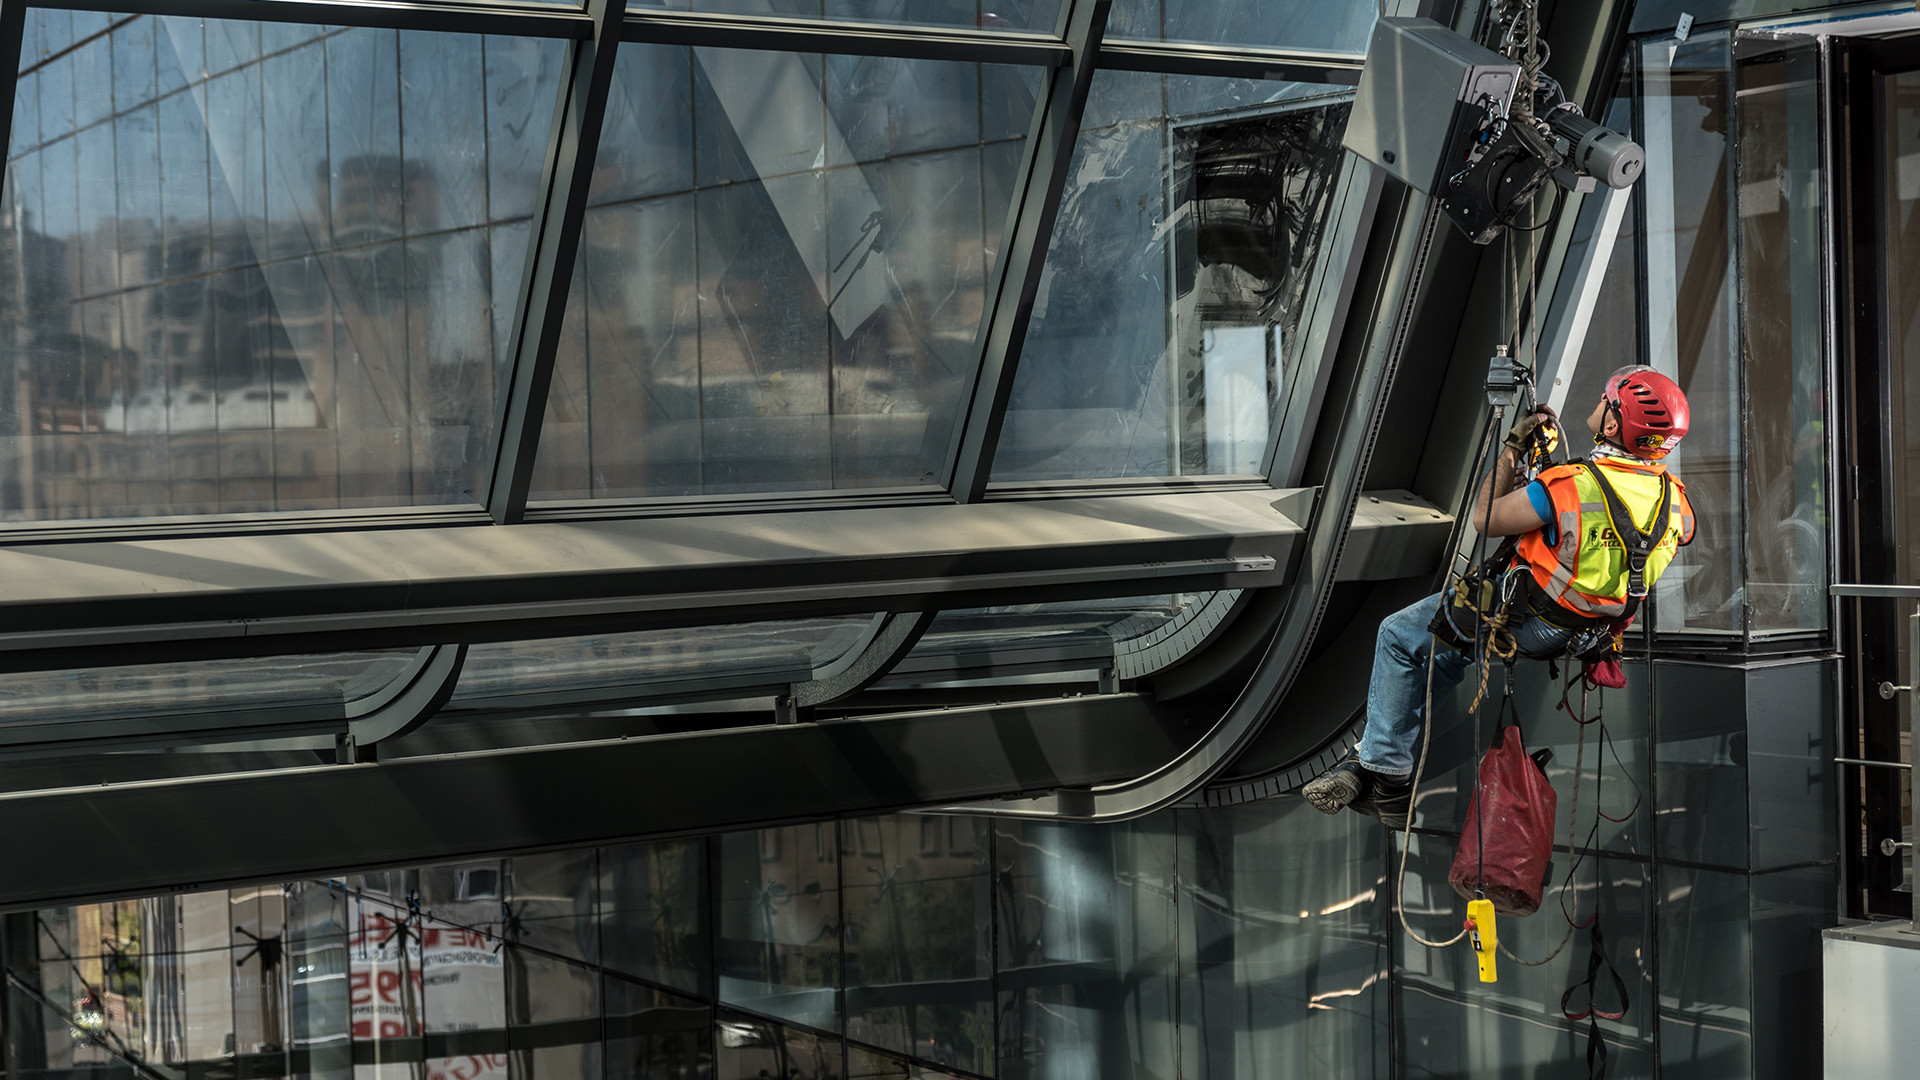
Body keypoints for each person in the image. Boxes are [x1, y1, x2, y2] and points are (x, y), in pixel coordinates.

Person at [1302, 365, 1696, 828]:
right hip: (1584, 633)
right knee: (1443, 658)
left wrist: (1512, 450)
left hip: (1529, 620)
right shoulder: (1676, 501)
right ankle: (1371, 764)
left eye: (1605, 401)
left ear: (1612, 424)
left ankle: (1386, 776)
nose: (1598, 403)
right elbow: (1604, 531)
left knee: (1397, 635)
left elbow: (1486, 518)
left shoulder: (1569, 486)